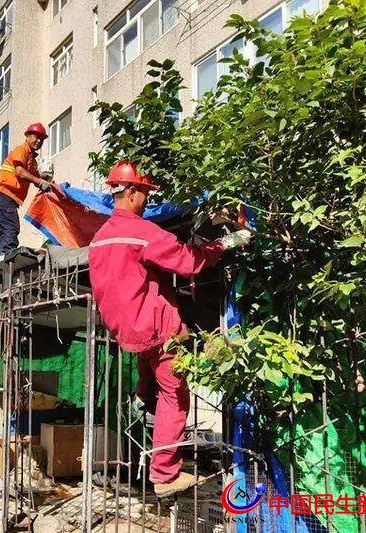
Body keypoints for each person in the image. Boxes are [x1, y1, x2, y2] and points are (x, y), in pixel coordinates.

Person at [88, 160, 252, 498]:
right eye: (145, 194)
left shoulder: (99, 237)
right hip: (156, 328)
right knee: (175, 395)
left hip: (126, 329)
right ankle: (164, 474)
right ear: (131, 192)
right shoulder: (141, 231)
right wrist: (226, 243)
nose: (147, 200)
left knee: (150, 369)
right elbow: (188, 261)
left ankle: (142, 396)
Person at [0, 123, 54, 259]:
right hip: (2, 193)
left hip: (3, 196)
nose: (39, 141)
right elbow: (20, 172)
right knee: (11, 226)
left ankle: (1, 255)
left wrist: (49, 183)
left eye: (42, 139)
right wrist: (40, 181)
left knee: (5, 229)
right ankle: (6, 255)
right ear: (27, 136)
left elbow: (36, 179)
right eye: (36, 137)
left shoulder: (32, 161)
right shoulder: (21, 150)